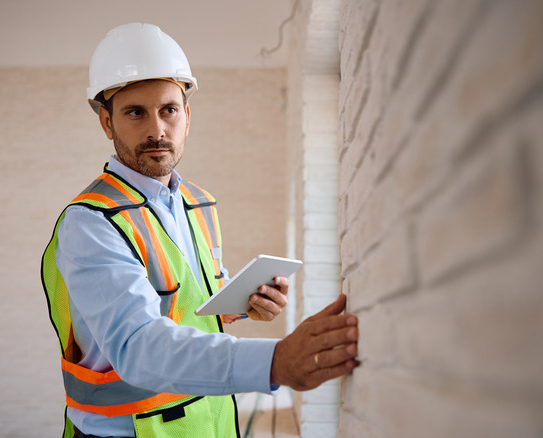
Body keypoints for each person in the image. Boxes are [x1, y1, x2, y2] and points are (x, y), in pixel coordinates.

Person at [41, 22, 359, 438]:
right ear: (107, 122)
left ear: (186, 117)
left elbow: (189, 298)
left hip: (209, 421)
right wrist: (276, 362)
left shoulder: (195, 202)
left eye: (168, 110)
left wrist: (245, 302)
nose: (156, 129)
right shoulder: (91, 222)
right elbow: (138, 347)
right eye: (135, 112)